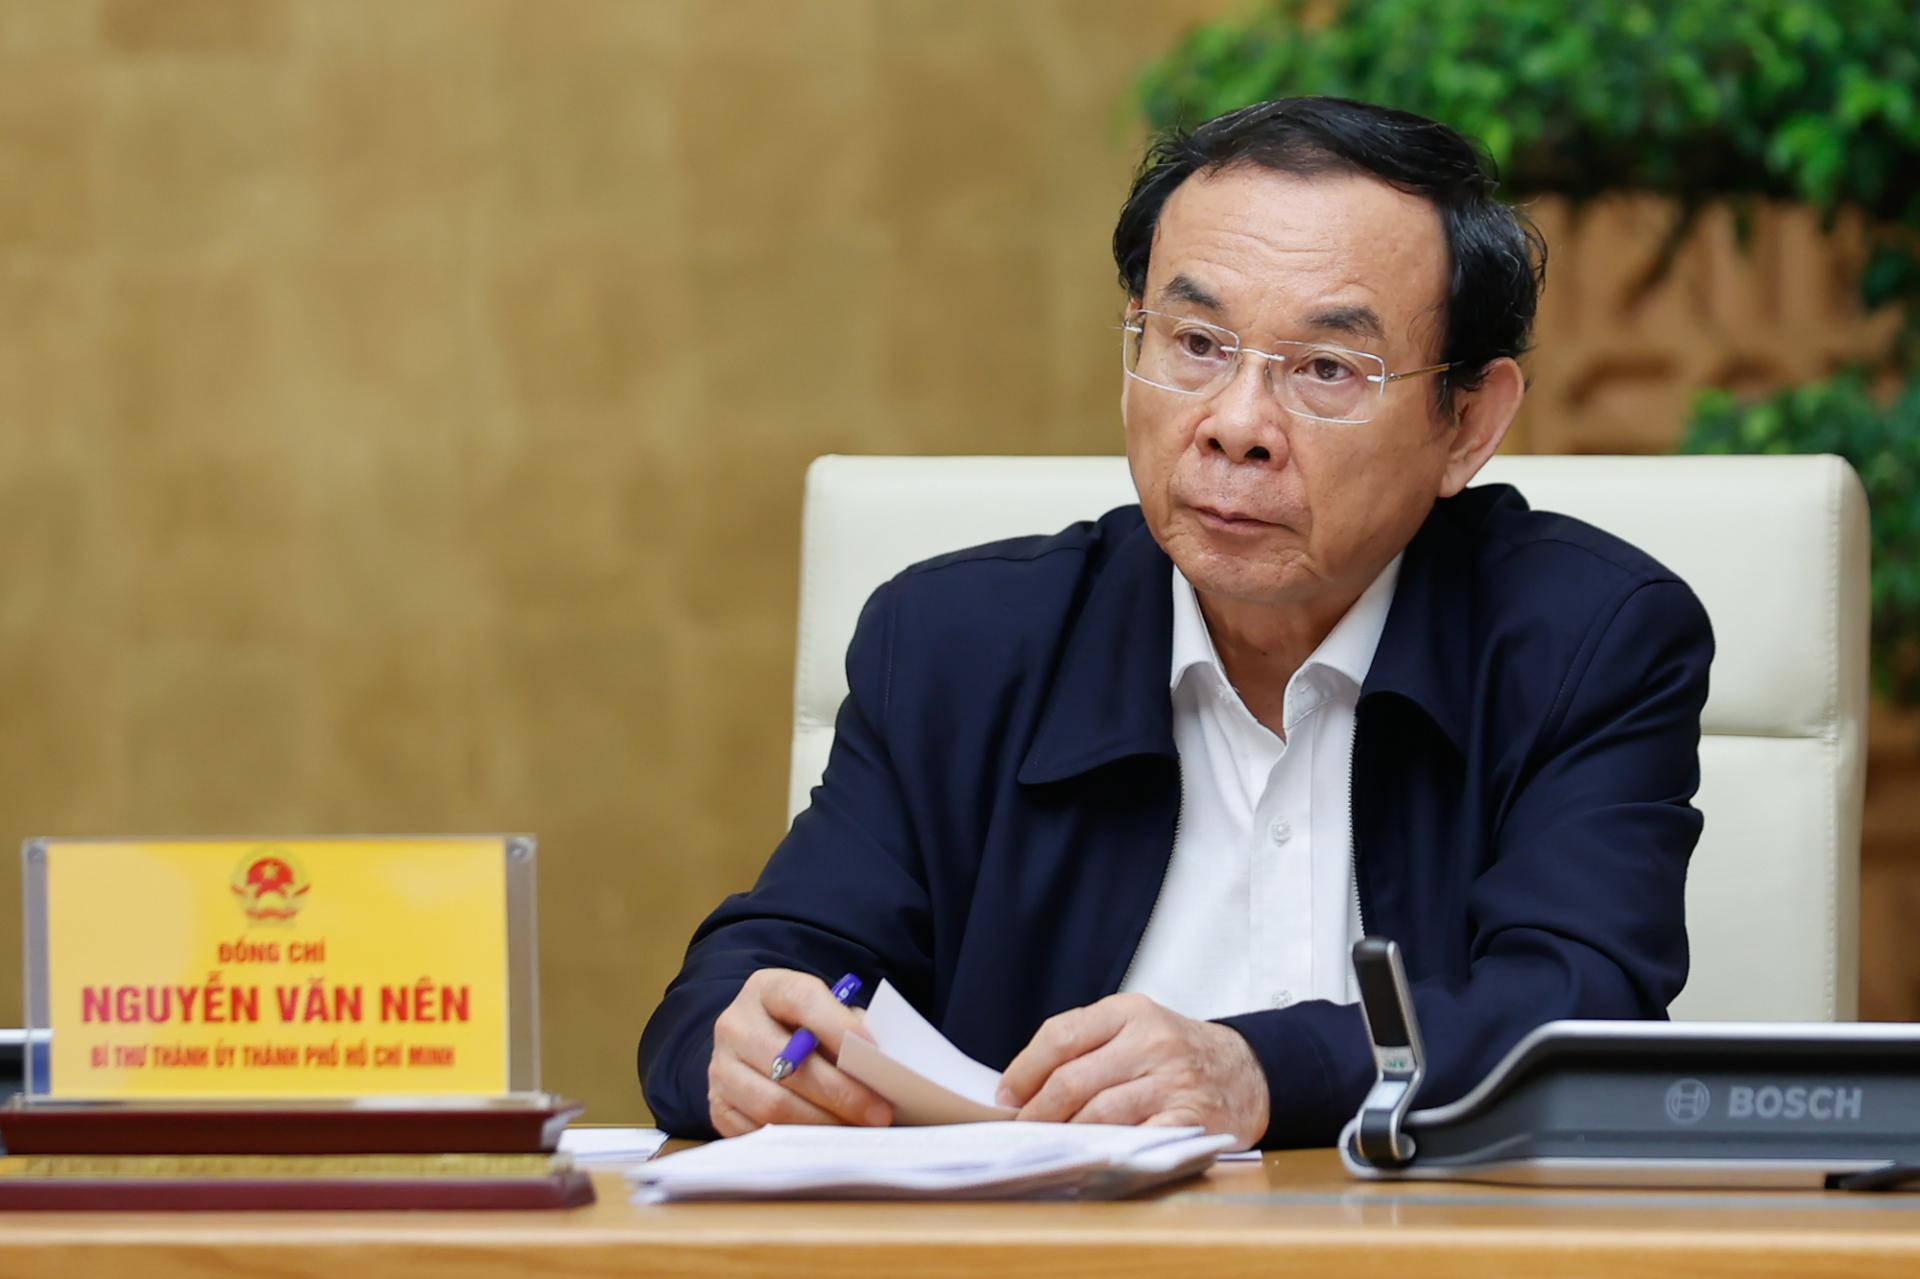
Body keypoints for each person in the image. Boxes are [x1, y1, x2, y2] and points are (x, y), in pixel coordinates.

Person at [638, 96, 1713, 1150]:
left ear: (1468, 423)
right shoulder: (955, 645)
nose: (1236, 426)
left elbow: (1579, 1008)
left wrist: (1261, 1071)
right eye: (1196, 343)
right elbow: (757, 975)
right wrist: (733, 1045)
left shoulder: (1588, 641)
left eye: (1326, 368)